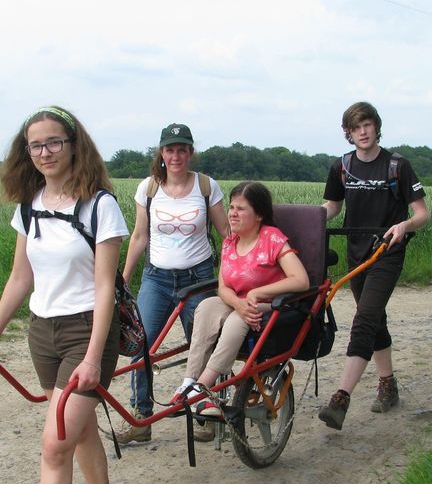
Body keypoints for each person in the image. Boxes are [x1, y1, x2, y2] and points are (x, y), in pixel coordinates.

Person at [0, 106, 129, 484]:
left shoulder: (101, 206)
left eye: (54, 142)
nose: (44, 152)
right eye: (35, 145)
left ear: (74, 144)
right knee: (76, 432)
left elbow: (106, 287)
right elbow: (21, 277)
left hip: (87, 332)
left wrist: (92, 355)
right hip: (43, 331)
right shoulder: (30, 205)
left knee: (54, 443)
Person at [318, 101, 430, 431]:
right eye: (356, 127)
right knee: (374, 317)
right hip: (356, 253)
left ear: (376, 127)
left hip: (387, 252)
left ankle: (341, 397)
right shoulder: (342, 166)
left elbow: (422, 213)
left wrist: (403, 227)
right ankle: (388, 383)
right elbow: (333, 206)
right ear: (349, 133)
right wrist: (310, 220)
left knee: (364, 317)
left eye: (367, 125)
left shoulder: (398, 165)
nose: (363, 131)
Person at [116, 123, 229, 444]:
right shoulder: (148, 188)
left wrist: (236, 275)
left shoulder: (207, 186)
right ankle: (142, 417)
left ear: (190, 152)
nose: (176, 155)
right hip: (157, 278)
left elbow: (226, 235)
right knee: (142, 345)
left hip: (200, 278)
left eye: (182, 149)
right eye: (170, 149)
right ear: (161, 153)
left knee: (203, 344)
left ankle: (208, 410)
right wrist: (123, 281)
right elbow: (140, 236)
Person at [171, 181, 310, 413]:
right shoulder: (230, 241)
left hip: (269, 304)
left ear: (259, 215)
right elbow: (223, 287)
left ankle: (204, 386)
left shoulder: (272, 238)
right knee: (206, 306)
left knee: (239, 319)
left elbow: (300, 280)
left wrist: (257, 293)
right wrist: (239, 303)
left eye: (241, 208)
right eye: (232, 207)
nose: (233, 214)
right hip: (238, 302)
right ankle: (189, 381)